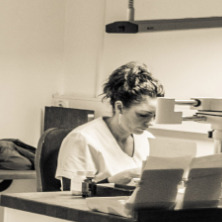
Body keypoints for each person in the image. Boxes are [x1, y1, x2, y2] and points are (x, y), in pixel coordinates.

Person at [56, 61, 164, 189]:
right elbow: (68, 194)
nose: (151, 122)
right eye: (143, 115)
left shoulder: (147, 139)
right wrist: (112, 181)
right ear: (119, 107)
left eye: (154, 115)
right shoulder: (82, 139)